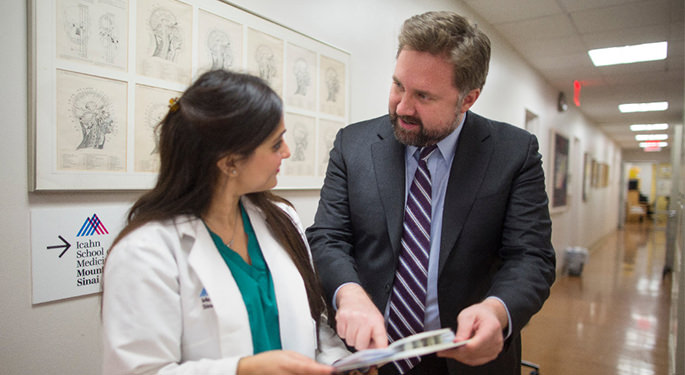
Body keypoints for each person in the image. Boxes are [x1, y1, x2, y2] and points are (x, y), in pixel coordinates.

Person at [306, 11, 556, 375]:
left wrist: (497, 310)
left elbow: (531, 257)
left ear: (467, 99)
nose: (403, 107)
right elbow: (328, 237)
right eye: (398, 86)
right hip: (374, 356)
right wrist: (349, 293)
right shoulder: (353, 145)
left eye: (423, 95)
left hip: (466, 357)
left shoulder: (513, 153)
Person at [101, 70, 351, 375]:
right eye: (275, 144)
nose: (286, 152)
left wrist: (340, 363)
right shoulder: (145, 252)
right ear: (229, 162)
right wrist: (242, 370)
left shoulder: (281, 220)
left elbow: (312, 322)